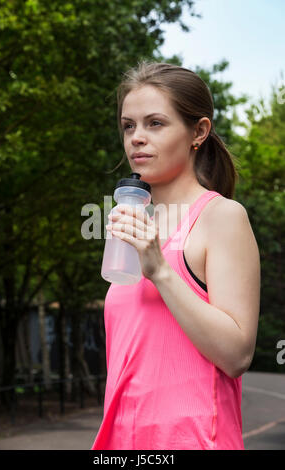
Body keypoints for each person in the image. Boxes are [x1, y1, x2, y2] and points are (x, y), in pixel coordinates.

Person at [91, 61, 261, 450]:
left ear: (198, 132)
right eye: (128, 125)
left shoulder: (222, 218)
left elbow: (237, 354)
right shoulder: (135, 228)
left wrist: (161, 272)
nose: (136, 138)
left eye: (155, 123)